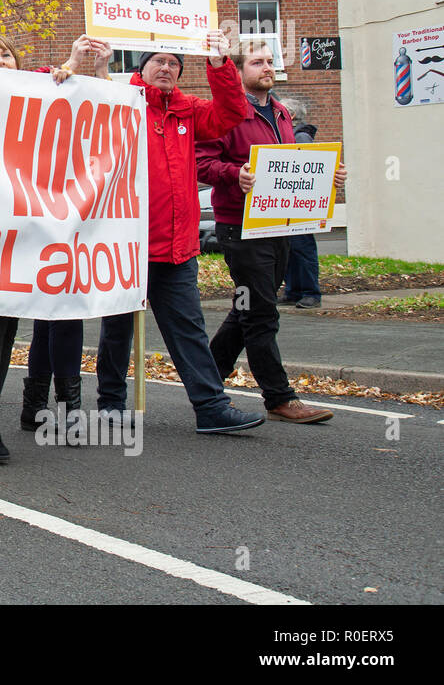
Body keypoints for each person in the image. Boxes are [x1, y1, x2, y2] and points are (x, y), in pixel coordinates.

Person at [92, 32, 266, 434]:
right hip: (127, 244)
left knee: (189, 329)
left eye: (173, 63)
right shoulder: (124, 101)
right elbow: (96, 106)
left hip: (177, 247)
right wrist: (100, 68)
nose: (166, 68)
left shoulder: (189, 110)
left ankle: (210, 406)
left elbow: (232, 112)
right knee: (117, 329)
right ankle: (111, 404)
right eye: (159, 61)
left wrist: (220, 64)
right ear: (142, 68)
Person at [195, 43, 342, 424]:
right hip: (240, 226)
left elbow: (291, 165)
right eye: (258, 62)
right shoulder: (227, 113)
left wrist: (327, 177)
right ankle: (279, 397)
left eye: (270, 62)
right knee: (261, 313)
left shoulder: (280, 112)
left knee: (246, 307)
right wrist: (235, 175)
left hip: (278, 223)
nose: (267, 68)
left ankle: (205, 375)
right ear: (239, 71)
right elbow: (203, 162)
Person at [0, 34, 87, 462]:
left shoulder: (36, 94)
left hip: (26, 227)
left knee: (9, 322)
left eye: (5, 55)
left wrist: (66, 73)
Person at [280, 98, 323, 308]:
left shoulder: (301, 137)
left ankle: (310, 292)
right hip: (290, 202)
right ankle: (293, 290)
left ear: (292, 116)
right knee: (290, 249)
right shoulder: (291, 136)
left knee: (303, 249)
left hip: (300, 203)